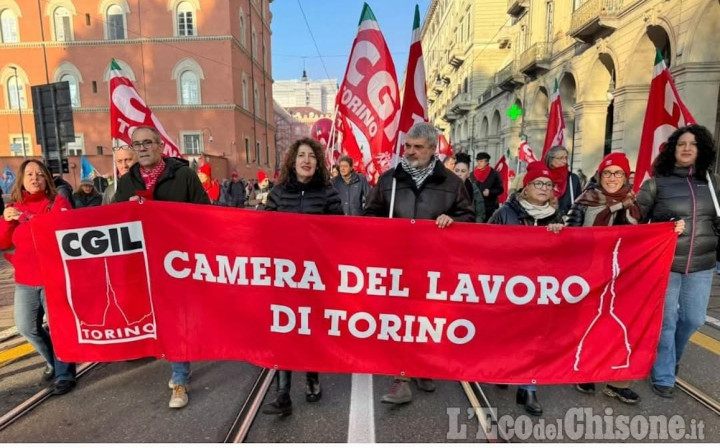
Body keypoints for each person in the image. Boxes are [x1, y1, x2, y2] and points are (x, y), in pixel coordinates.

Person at [364, 122, 474, 405]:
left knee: (426, 321)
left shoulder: (452, 183)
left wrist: (454, 222)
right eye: (408, 146)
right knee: (401, 321)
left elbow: (469, 218)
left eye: (417, 147)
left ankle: (423, 367)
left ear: (432, 149)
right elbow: (369, 215)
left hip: (434, 266)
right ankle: (402, 379)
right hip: (396, 265)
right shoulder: (389, 180)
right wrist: (382, 227)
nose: (410, 152)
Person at [566, 153, 685, 404]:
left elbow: (646, 233)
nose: (612, 178)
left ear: (625, 177)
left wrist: (671, 229)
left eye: (618, 173)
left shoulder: (634, 203)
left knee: (623, 325)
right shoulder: (584, 200)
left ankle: (617, 382)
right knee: (589, 323)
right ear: (599, 176)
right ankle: (587, 371)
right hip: (590, 274)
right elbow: (569, 233)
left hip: (624, 274)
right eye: (607, 173)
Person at [115, 126, 210, 409]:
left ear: (160, 146)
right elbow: (117, 223)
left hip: (178, 262)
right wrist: (129, 211)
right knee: (156, 318)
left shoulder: (183, 175)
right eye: (137, 144)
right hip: (144, 263)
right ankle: (180, 365)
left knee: (175, 319)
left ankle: (179, 379)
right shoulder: (126, 182)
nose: (142, 148)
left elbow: (205, 213)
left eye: (147, 143)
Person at [261, 137, 343, 416]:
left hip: (316, 275)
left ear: (318, 163)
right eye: (301, 156)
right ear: (292, 162)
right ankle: (282, 392)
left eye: (311, 156)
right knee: (283, 329)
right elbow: (264, 228)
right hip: (284, 275)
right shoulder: (278, 193)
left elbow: (341, 233)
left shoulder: (328, 194)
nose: (306, 161)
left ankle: (312, 377)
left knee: (312, 328)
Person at [636, 124, 717, 399]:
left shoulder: (713, 184)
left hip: (702, 264)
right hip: (665, 264)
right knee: (666, 321)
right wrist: (663, 225)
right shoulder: (656, 182)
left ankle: (671, 359)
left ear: (701, 149)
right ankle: (663, 373)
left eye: (693, 144)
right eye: (682, 143)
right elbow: (636, 221)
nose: (686, 148)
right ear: (673, 148)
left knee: (693, 319)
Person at [488, 161, 564, 416]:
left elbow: (568, 253)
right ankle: (506, 370)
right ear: (526, 187)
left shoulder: (557, 217)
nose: (544, 188)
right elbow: (484, 245)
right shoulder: (504, 214)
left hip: (540, 287)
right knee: (508, 333)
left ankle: (529, 387)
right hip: (509, 284)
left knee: (535, 337)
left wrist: (560, 234)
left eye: (548, 184)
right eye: (538, 183)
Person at [0, 160, 77, 395]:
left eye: (40, 174)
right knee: (26, 327)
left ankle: (65, 375)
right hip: (25, 279)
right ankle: (54, 362)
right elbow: (4, 243)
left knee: (58, 327)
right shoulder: (14, 207)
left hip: (53, 277)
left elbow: (68, 233)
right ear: (22, 179)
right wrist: (6, 220)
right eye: (30, 174)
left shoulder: (58, 202)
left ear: (47, 180)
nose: (34, 178)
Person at [544, 146, 582, 216]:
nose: (564, 161)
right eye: (560, 158)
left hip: (567, 222)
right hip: (544, 220)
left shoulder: (573, 178)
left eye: (566, 158)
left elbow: (579, 203)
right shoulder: (543, 177)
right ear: (551, 160)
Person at [471, 152, 503, 221]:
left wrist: (490, 192)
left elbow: (500, 189)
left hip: (489, 207)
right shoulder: (473, 174)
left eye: (481, 161)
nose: (479, 163)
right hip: (475, 207)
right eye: (478, 161)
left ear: (487, 162)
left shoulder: (494, 174)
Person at [453, 153, 485, 222]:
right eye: (457, 171)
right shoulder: (446, 188)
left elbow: (480, 214)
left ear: (468, 174)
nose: (459, 174)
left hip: (469, 227)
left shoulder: (474, 190)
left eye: (463, 171)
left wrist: (474, 228)